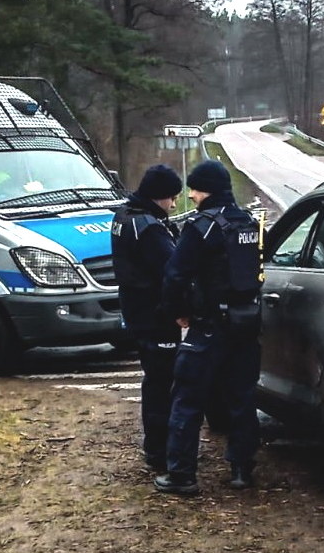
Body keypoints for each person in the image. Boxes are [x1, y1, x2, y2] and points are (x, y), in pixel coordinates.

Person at [155, 160, 264, 495]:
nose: (191, 195)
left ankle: (181, 474)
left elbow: (175, 275)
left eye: (195, 189)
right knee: (242, 397)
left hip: (210, 325)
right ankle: (242, 470)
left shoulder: (201, 226)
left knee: (187, 397)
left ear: (207, 190)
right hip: (246, 323)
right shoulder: (247, 221)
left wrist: (178, 312)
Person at [110, 164, 183, 475]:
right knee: (162, 384)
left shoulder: (123, 216)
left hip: (136, 311)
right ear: (159, 197)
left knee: (154, 379)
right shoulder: (149, 228)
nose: (174, 204)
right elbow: (173, 269)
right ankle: (160, 452)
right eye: (171, 198)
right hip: (155, 315)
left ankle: (157, 448)